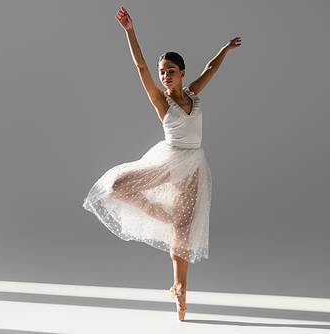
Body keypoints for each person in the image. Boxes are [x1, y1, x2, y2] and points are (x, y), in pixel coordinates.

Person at [83, 6, 241, 321]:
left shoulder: (194, 95)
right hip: (170, 159)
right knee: (117, 186)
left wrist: (225, 49)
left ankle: (180, 290)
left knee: (183, 227)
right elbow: (140, 65)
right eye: (162, 72)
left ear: (182, 72)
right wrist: (130, 31)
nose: (164, 76)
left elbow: (210, 68)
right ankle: (163, 216)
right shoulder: (161, 101)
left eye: (170, 70)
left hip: (193, 164)